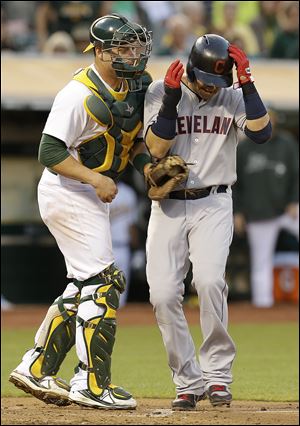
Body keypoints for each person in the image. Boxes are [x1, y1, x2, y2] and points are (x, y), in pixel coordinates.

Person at [9, 13, 153, 410]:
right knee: (105, 282)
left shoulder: (134, 86)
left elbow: (133, 145)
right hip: (67, 190)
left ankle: (36, 368)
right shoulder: (77, 93)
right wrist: (95, 179)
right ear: (101, 51)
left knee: (83, 286)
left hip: (86, 192)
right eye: (124, 46)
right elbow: (49, 152)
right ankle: (91, 384)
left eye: (136, 45)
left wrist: (148, 171)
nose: (133, 53)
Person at [143, 34, 272, 410]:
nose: (211, 89)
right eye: (204, 80)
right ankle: (187, 380)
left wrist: (247, 83)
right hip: (169, 205)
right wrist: (170, 101)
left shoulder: (233, 97)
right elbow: (156, 149)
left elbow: (262, 133)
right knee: (163, 294)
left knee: (210, 281)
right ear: (192, 69)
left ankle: (217, 377)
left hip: (214, 203)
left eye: (219, 81)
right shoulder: (159, 92)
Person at [233, 108, 299, 307]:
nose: (266, 120)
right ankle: (263, 309)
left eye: (270, 116)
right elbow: (235, 183)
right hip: (258, 213)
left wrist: (294, 200)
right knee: (261, 262)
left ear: (276, 119)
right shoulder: (244, 148)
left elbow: (297, 174)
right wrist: (238, 212)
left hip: (288, 209)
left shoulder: (286, 143)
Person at [109, 179, 140, 308]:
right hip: (104, 247)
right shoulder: (96, 187)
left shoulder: (128, 193)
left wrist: (137, 249)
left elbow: (132, 223)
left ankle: (119, 324)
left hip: (123, 246)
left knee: (121, 293)